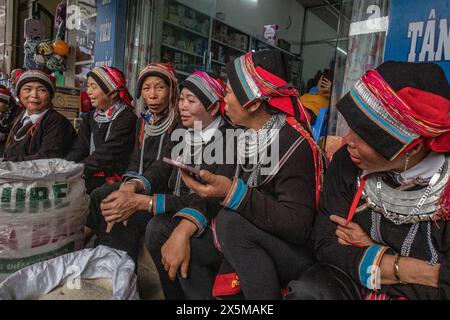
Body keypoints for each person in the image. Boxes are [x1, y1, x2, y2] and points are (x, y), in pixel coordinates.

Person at [157, 50, 325, 300]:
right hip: (247, 234)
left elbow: (298, 226)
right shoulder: (241, 134)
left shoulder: (294, 144)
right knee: (164, 231)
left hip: (290, 250)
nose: (224, 101)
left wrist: (232, 193)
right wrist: (185, 227)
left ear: (254, 102)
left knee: (230, 221)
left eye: (229, 93)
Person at [289, 61, 450, 300]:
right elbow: (326, 243)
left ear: (409, 149)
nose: (346, 140)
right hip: (359, 284)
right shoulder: (347, 160)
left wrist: (370, 252)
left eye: (363, 134)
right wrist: (410, 269)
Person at [85, 63, 180, 263]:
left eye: (160, 87)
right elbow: (136, 158)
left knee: (127, 216)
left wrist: (134, 187)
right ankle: (102, 254)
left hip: (162, 188)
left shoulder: (179, 123)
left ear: (171, 91)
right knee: (102, 195)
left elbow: (165, 165)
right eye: (146, 89)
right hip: (140, 182)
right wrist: (129, 182)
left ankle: (122, 268)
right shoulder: (144, 121)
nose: (152, 95)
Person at [65, 66, 137, 193]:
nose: (88, 92)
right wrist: (63, 166)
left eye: (94, 87)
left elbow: (108, 153)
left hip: (117, 178)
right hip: (92, 172)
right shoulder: (90, 117)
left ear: (113, 93)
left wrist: (76, 170)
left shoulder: (126, 118)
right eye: (88, 86)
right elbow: (80, 148)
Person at [2, 69, 75, 161]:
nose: (34, 95)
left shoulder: (57, 122)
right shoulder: (20, 117)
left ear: (50, 96)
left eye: (42, 90)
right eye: (28, 89)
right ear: (19, 94)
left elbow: (47, 159)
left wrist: (6, 162)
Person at [0, 85, 21, 154]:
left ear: (7, 102)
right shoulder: (3, 112)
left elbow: (16, 134)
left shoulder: (17, 112)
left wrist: (3, 136)